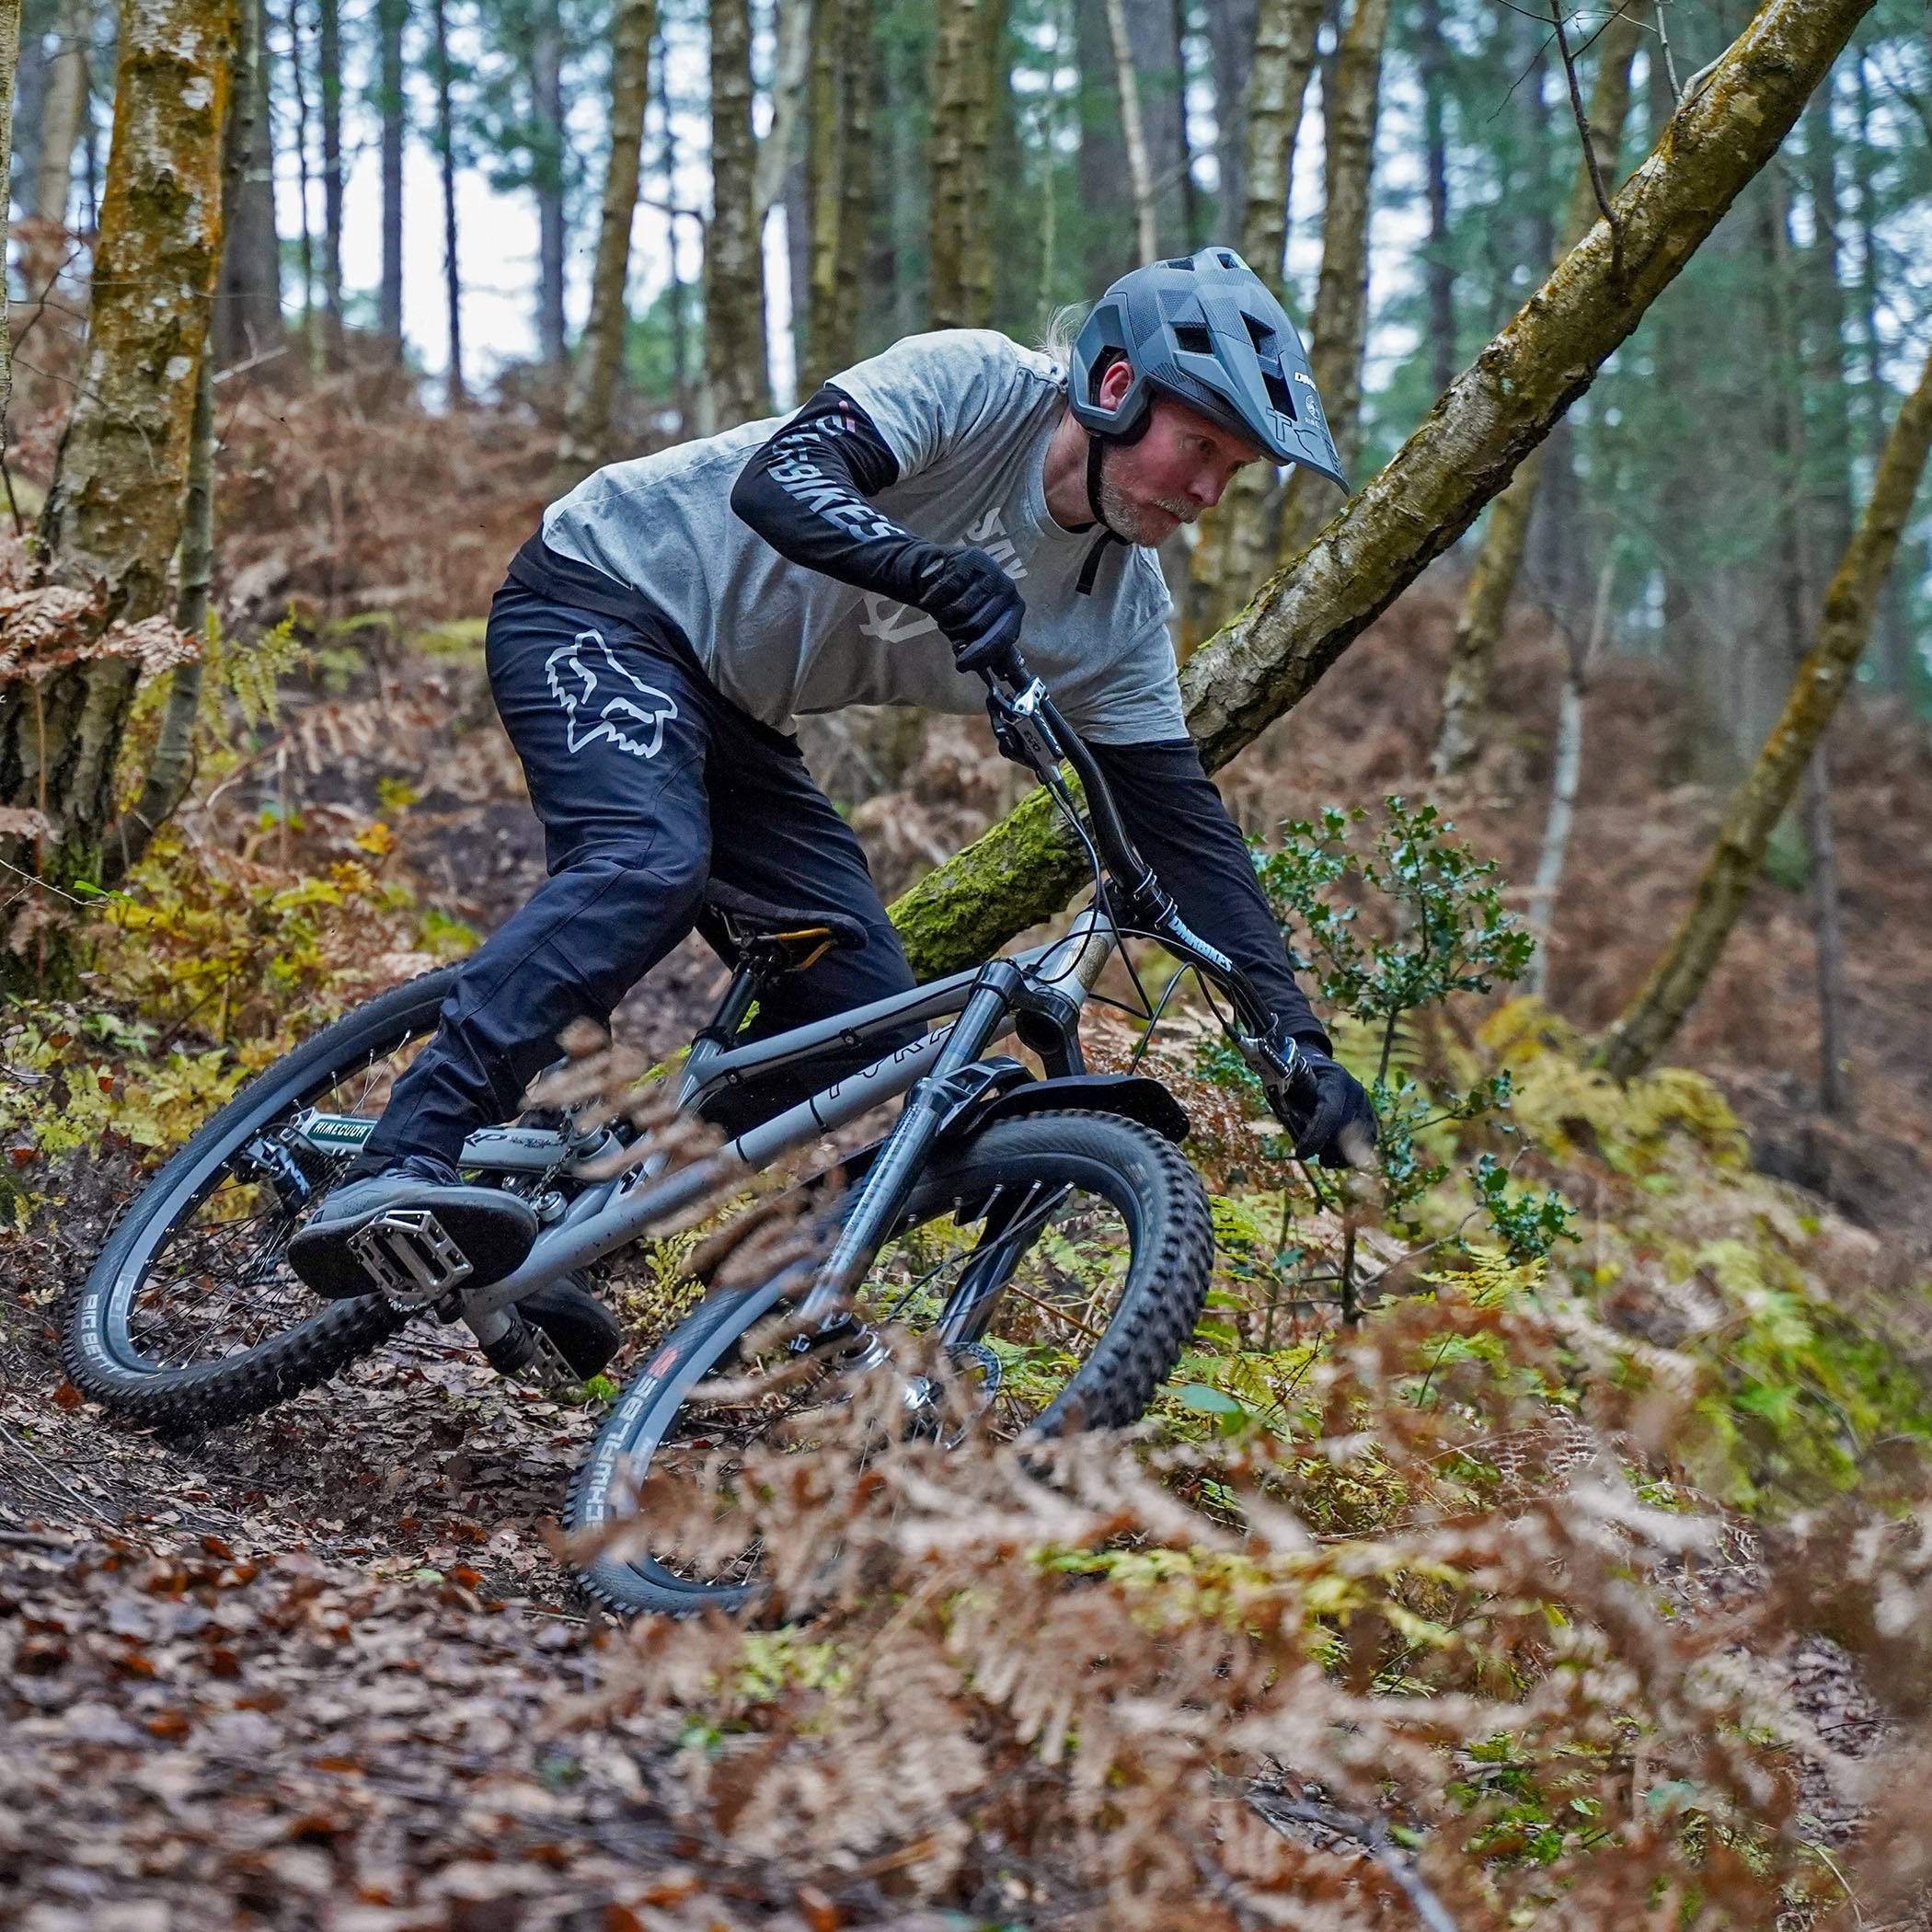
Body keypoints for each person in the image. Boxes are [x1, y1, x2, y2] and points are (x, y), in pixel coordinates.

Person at [288, 247, 1378, 1361]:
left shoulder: (1118, 618)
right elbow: (783, 480)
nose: (1206, 492)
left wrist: (1296, 1044)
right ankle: (395, 1165)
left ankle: (575, 1221)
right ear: (1114, 390)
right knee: (645, 862)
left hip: (737, 714)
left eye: (1231, 471)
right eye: (1200, 447)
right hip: (603, 596)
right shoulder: (977, 385)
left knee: (858, 1010)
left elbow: (1181, 825)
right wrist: (932, 573)